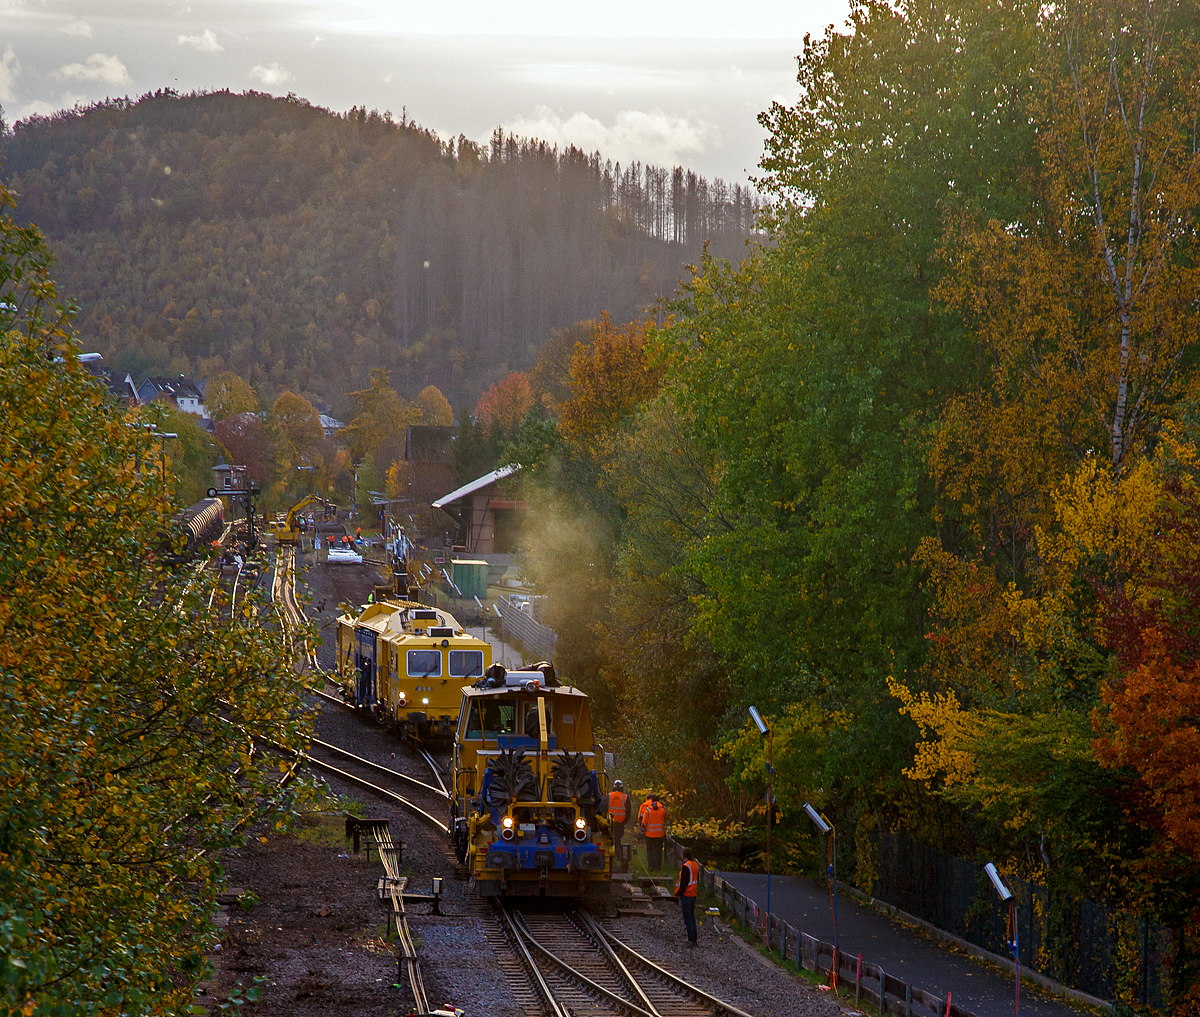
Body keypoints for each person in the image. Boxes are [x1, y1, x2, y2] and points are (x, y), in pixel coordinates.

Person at [674, 847, 700, 946]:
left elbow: (684, 883)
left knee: (687, 918)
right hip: (693, 894)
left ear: (683, 855)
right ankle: (694, 938)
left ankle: (690, 939)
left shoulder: (686, 866)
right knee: (692, 917)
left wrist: (679, 893)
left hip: (686, 894)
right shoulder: (694, 865)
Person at [640, 794, 667, 871]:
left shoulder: (648, 810)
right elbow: (665, 819)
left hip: (649, 834)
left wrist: (642, 831)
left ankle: (651, 865)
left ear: (652, 801)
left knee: (649, 850)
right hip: (660, 834)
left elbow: (644, 823)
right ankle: (657, 866)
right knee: (658, 850)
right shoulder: (663, 809)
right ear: (658, 801)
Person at [608, 780, 631, 847]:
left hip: (609, 822)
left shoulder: (608, 796)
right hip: (620, 823)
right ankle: (617, 854)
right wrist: (624, 822)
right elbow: (628, 812)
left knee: (608, 839)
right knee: (618, 839)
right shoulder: (625, 797)